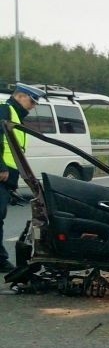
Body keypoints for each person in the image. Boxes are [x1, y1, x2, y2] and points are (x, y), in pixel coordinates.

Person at [0, 83, 44, 273]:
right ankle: (0, 260)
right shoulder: (5, 110)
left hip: (7, 177)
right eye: (31, 101)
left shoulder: (14, 114)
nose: (33, 106)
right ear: (19, 96)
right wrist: (1, 167)